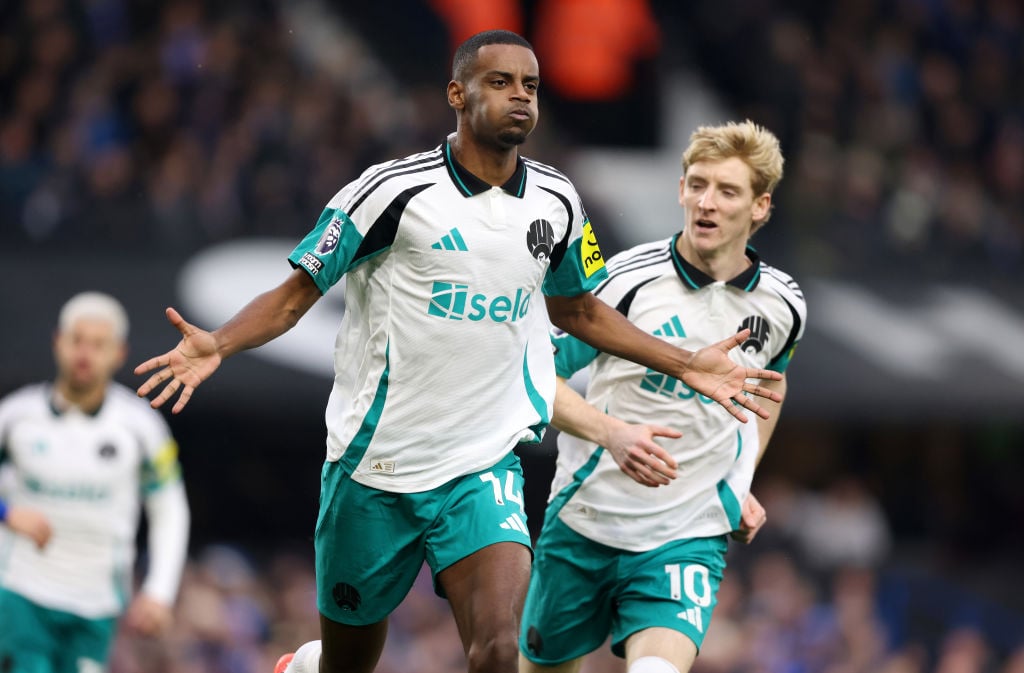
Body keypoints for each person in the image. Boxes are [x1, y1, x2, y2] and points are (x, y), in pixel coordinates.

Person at [134, 31, 783, 673]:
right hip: (374, 466)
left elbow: (579, 310)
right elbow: (294, 295)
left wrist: (684, 361)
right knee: (347, 661)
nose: (519, 97)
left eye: (529, 85)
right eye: (500, 82)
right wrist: (218, 342)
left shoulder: (558, 203)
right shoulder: (392, 192)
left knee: (500, 647)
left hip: (480, 462)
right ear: (457, 93)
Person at [518, 120, 806, 673]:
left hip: (687, 532)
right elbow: (531, 377)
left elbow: (773, 383)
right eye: (696, 184)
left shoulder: (783, 305)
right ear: (680, 191)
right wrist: (613, 435)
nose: (707, 201)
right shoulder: (625, 282)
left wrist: (740, 481)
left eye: (727, 191)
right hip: (585, 522)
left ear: (761, 206)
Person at [0, 291, 191, 673]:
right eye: (77, 340)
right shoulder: (15, 416)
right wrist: (5, 512)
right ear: (58, 342)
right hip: (21, 591)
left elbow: (169, 507)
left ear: (119, 353)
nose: (84, 354)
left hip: (97, 603)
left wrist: (159, 592)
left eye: (98, 344)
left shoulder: (142, 429)